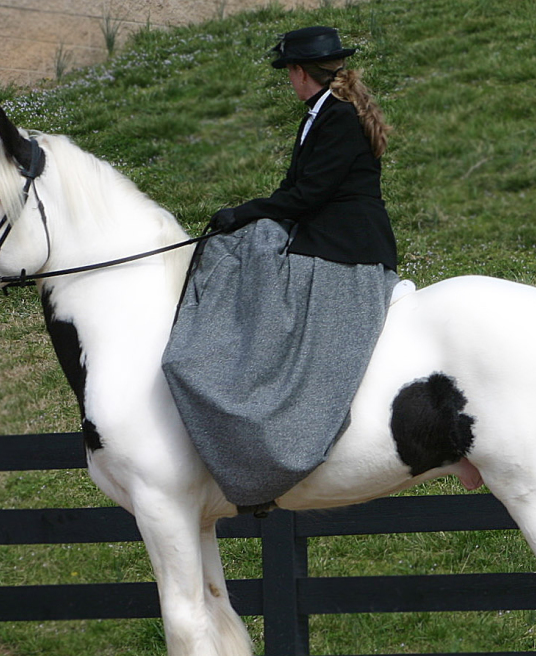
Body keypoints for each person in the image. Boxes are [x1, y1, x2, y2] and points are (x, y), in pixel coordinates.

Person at [162, 26, 399, 512]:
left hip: (346, 245)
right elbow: (300, 189)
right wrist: (248, 216)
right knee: (247, 243)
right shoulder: (319, 114)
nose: (287, 81)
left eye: (287, 72)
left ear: (298, 71)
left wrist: (246, 211)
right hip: (322, 231)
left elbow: (309, 194)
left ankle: (269, 408)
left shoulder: (338, 118)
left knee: (257, 250)